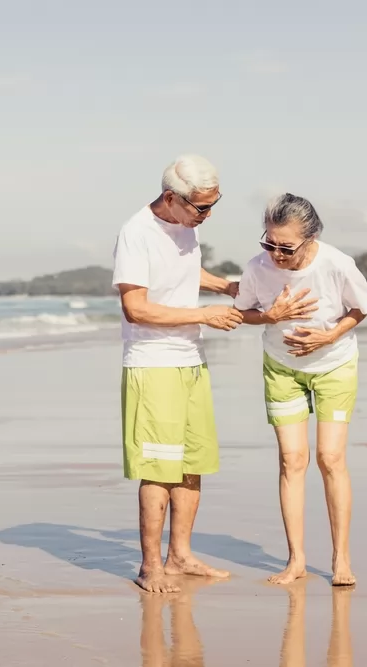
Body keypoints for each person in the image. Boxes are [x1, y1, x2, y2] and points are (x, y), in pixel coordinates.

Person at [111, 154, 242, 594]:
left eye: (213, 205)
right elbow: (136, 307)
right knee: (159, 468)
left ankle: (181, 555)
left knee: (192, 464)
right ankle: (151, 566)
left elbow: (183, 270)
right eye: (201, 207)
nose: (207, 215)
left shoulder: (187, 226)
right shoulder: (136, 234)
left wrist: (225, 285)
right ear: (172, 197)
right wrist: (203, 314)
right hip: (153, 365)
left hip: (190, 360)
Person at [233, 193, 367, 586]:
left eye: (285, 247)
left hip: (334, 367)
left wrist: (328, 336)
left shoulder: (336, 263)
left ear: (310, 239)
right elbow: (244, 312)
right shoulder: (257, 268)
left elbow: (363, 305)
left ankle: (341, 560)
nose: (275, 254)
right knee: (291, 461)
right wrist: (269, 315)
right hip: (281, 369)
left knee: (330, 458)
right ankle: (296, 561)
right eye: (268, 243)